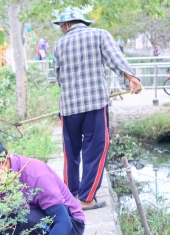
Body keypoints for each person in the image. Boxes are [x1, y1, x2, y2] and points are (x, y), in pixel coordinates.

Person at [53, 9, 142, 211]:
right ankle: (86, 199)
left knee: (70, 152)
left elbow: (58, 77)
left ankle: (70, 195)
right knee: (95, 149)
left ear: (66, 25)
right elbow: (115, 59)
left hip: (68, 107)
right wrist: (132, 78)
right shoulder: (99, 34)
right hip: (94, 104)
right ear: (81, 22)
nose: (61, 30)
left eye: (61, 26)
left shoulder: (59, 44)